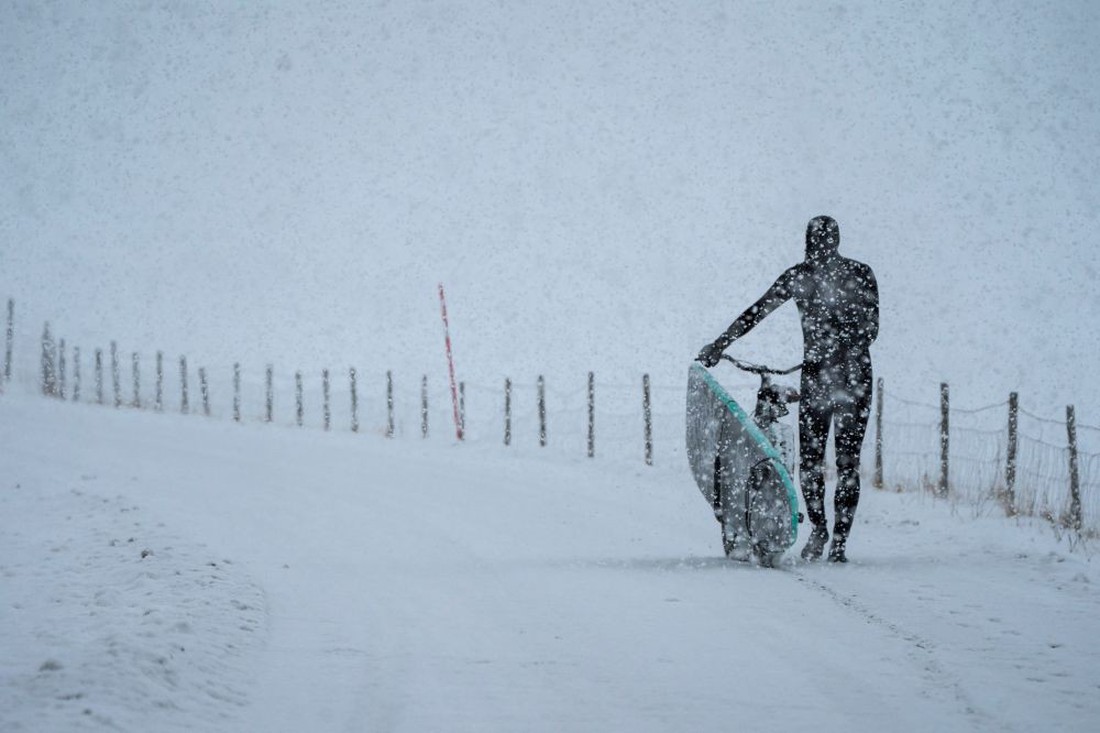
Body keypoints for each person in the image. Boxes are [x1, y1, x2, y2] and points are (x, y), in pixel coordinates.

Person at [697, 215, 879, 563]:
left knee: (834, 463)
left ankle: (833, 538)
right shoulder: (824, 275)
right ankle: (827, 534)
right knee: (826, 463)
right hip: (839, 378)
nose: (817, 248)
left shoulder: (830, 275)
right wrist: (720, 344)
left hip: (837, 379)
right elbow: (756, 312)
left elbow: (871, 329)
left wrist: (831, 344)